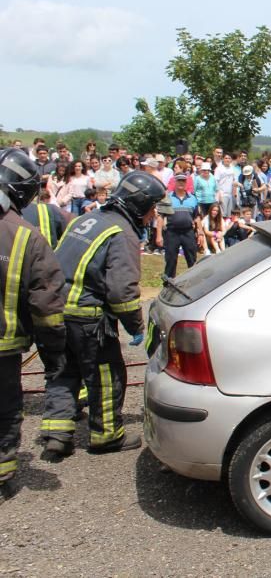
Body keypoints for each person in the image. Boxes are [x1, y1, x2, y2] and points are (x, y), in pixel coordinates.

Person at [39, 170, 164, 459]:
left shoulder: (86, 220)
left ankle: (57, 435)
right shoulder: (123, 233)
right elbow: (121, 292)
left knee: (63, 372)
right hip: (88, 318)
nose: (153, 215)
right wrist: (136, 325)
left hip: (56, 311)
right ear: (140, 204)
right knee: (107, 374)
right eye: (152, 207)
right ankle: (106, 436)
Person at [0, 149, 67, 498]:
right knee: (5, 413)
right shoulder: (25, 236)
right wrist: (54, 353)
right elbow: (47, 306)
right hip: (3, 350)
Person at [157, 172, 199, 278]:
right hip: (172, 232)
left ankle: (194, 283)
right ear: (175, 182)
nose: (181, 183)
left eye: (183, 181)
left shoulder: (192, 198)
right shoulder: (167, 198)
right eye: (179, 180)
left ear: (186, 183)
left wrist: (201, 233)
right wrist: (159, 235)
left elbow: (197, 217)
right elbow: (160, 217)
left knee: (192, 259)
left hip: (188, 232)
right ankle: (168, 284)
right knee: (171, 260)